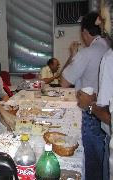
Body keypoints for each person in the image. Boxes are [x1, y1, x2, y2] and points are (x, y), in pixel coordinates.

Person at [61, 12, 109, 180]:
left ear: (85, 32)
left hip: (93, 112)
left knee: (92, 161)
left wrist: (73, 56)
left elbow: (64, 82)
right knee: (104, 161)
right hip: (107, 112)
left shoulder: (87, 53)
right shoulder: (108, 48)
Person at [77, 1, 113, 179]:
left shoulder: (110, 57)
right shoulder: (108, 52)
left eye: (103, 17)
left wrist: (89, 105)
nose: (99, 22)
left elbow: (110, 116)